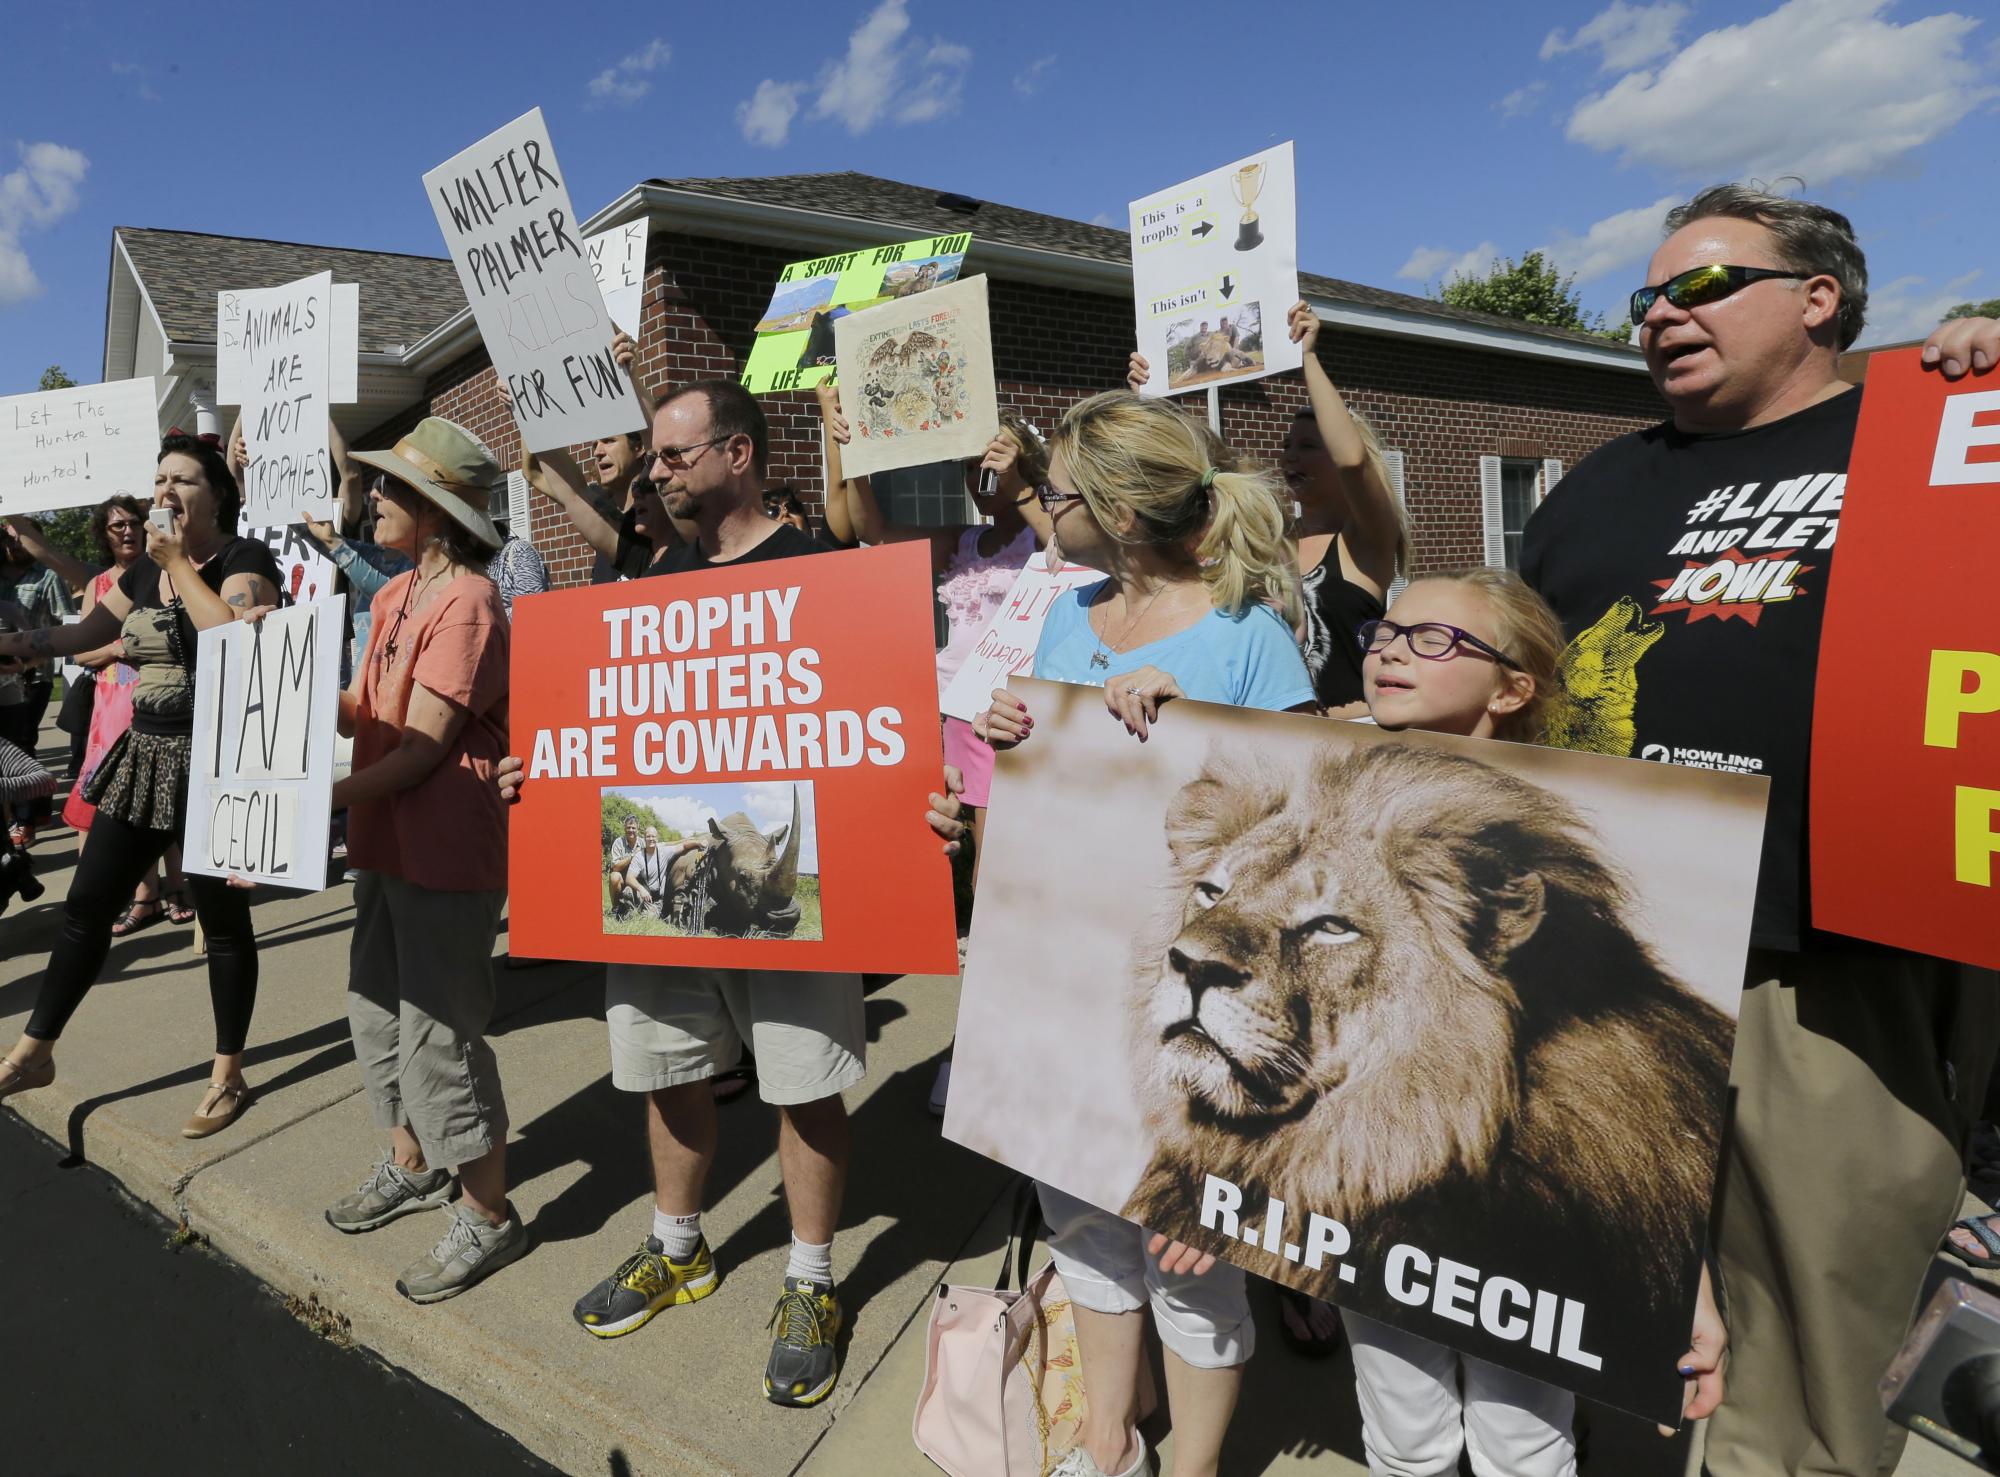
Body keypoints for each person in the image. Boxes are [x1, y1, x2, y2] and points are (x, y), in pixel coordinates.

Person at [1518, 183, 2000, 1477]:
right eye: (1648, 298)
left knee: (1811, 1315)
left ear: (1820, 299)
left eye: (1705, 285)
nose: (1663, 313)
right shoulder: (1594, 489)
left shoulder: (1944, 437)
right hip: (1620, 953)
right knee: (1624, 1302)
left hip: (1827, 964)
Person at [495, 380, 863, 1408]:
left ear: (736, 454)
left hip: (782, 879)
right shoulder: (649, 577)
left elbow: (870, 728)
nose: (652, 471)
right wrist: (542, 777)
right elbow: (604, 721)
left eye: (670, 455)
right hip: (662, 879)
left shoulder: (816, 572)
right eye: (653, 458)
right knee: (668, 1065)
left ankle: (810, 1279)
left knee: (800, 1078)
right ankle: (678, 1247)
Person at [975, 389, 1316, 1477]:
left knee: (1189, 1249)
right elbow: (1032, 787)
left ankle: (1199, 1462)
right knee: (1084, 1226)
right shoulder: (1064, 613)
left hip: (1190, 1013)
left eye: (1058, 493)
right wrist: (1000, 746)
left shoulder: (1245, 635)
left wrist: (1203, 725)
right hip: (1062, 980)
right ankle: (1108, 1439)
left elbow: (1314, 821)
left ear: (1116, 513)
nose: (1043, 507)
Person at [1338, 566, 1725, 1475]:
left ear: (1514, 688)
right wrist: (1138, 697)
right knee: (1402, 1425)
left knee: (1523, 1437)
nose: (1392, 647)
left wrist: (1679, 1283)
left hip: (1520, 1219)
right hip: (1366, 1206)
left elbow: (1643, 1096)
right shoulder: (1313, 763)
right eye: (1386, 630)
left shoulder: (1565, 849)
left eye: (1434, 639)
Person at [0, 435, 279, 1136]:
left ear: (217, 493)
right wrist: (19, 646)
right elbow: (85, 633)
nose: (164, 490)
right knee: (87, 904)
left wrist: (179, 562)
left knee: (223, 925)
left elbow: (236, 641)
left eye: (182, 479)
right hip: (146, 755)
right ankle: (34, 1052)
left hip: (216, 764)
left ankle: (227, 1073)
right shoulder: (143, 574)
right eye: (159, 478)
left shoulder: (243, 561)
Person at [319, 417, 526, 1304]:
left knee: (441, 1033)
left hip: (442, 838)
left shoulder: (470, 601)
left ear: (437, 513)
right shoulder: (398, 596)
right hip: (384, 835)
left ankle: (488, 1215)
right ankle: (413, 1162)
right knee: (375, 1009)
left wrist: (311, 804)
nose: (374, 499)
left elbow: (422, 747)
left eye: (393, 489)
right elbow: (363, 714)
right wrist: (272, 669)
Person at [815, 378, 1055, 865]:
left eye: (986, 465)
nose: (977, 478)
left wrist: (1023, 488)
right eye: (968, 468)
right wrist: (854, 459)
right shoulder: (963, 540)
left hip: (1015, 712)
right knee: (958, 851)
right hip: (956, 708)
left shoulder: (1046, 533)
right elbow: (874, 533)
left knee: (1002, 855)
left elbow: (1070, 556)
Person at [1131, 301, 1408, 720]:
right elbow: (1196, 468)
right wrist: (1151, 400)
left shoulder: (1365, 542)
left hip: (1355, 732)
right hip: (1274, 734)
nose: (1290, 457)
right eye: (1286, 447)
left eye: (1309, 447)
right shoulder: (1267, 540)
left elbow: (1353, 461)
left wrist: (1308, 358)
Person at [54, 497, 196, 933]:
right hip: (112, 706)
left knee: (165, 802)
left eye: (135, 522)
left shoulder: (171, 573)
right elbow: (81, 651)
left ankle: (176, 889)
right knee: (123, 808)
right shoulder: (99, 585)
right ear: (105, 534)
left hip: (163, 706)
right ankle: (143, 896)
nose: (128, 531)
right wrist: (120, 648)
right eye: (117, 526)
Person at [0, 516, 78, 847]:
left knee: (22, 742)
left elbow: (66, 625)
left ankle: (25, 819)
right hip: (3, 676)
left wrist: (29, 663)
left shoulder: (47, 577)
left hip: (35, 675)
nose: (15, 544)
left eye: (21, 538)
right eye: (9, 538)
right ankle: (42, 805)